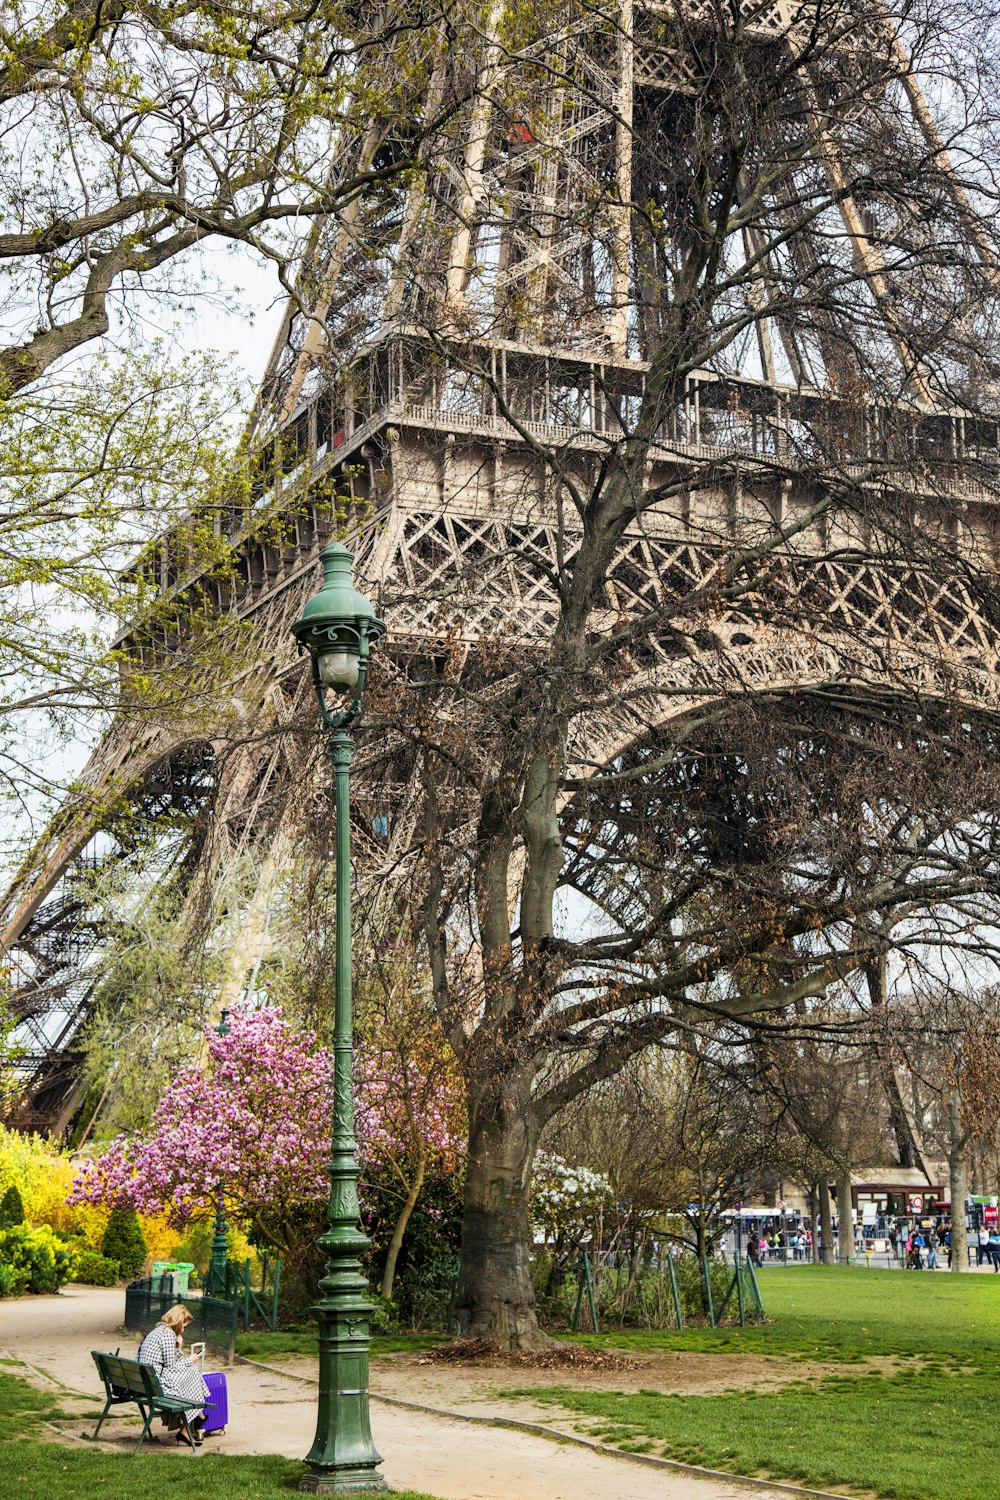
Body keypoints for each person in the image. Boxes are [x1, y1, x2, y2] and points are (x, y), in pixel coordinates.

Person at [137, 1304, 211, 1445]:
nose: (183, 1330)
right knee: (193, 1371)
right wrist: (190, 1360)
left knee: (189, 1373)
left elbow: (167, 1363)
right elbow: (171, 1367)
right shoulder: (168, 1334)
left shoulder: (158, 1330)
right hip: (156, 1385)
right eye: (183, 1326)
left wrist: (178, 1347)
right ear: (177, 1322)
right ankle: (197, 1413)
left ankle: (192, 1421)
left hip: (147, 1382)